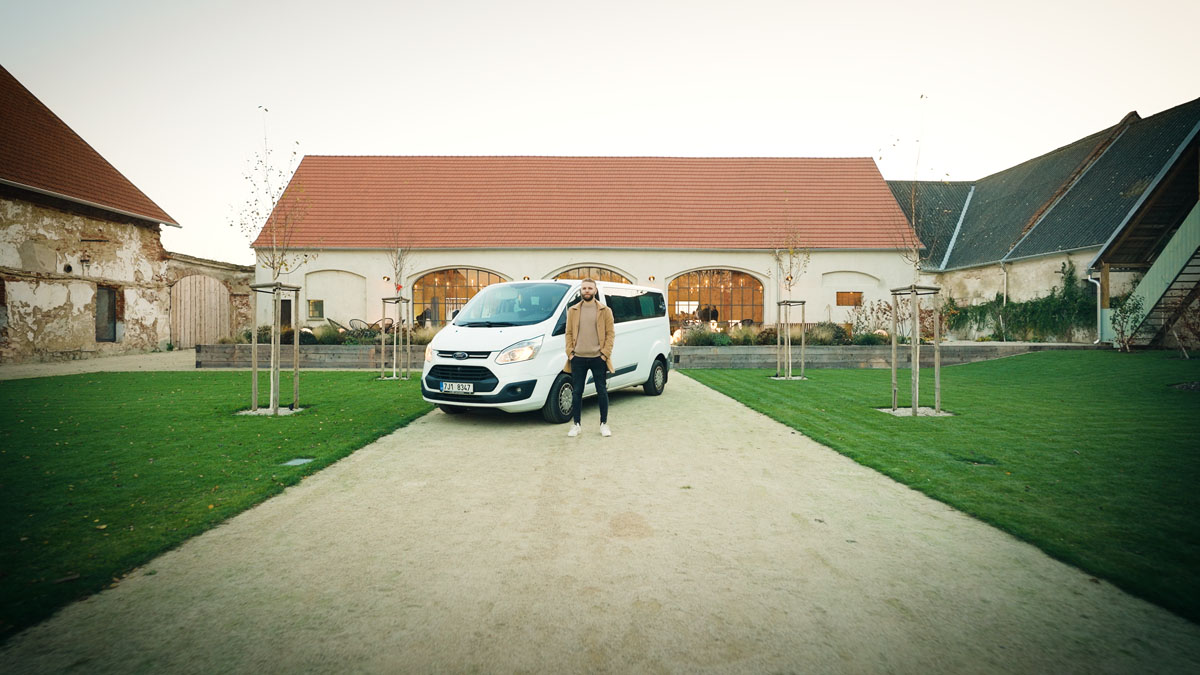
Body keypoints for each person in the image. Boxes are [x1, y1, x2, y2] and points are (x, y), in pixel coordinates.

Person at [563, 278, 615, 437]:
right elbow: (568, 333)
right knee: (577, 392)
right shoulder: (573, 311)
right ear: (581, 290)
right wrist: (570, 353)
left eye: (590, 288)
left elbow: (610, 334)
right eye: (584, 288)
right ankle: (576, 425)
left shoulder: (605, 310)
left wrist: (604, 354)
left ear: (595, 291)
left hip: (598, 358)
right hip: (578, 358)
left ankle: (604, 424)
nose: (587, 291)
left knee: (602, 391)